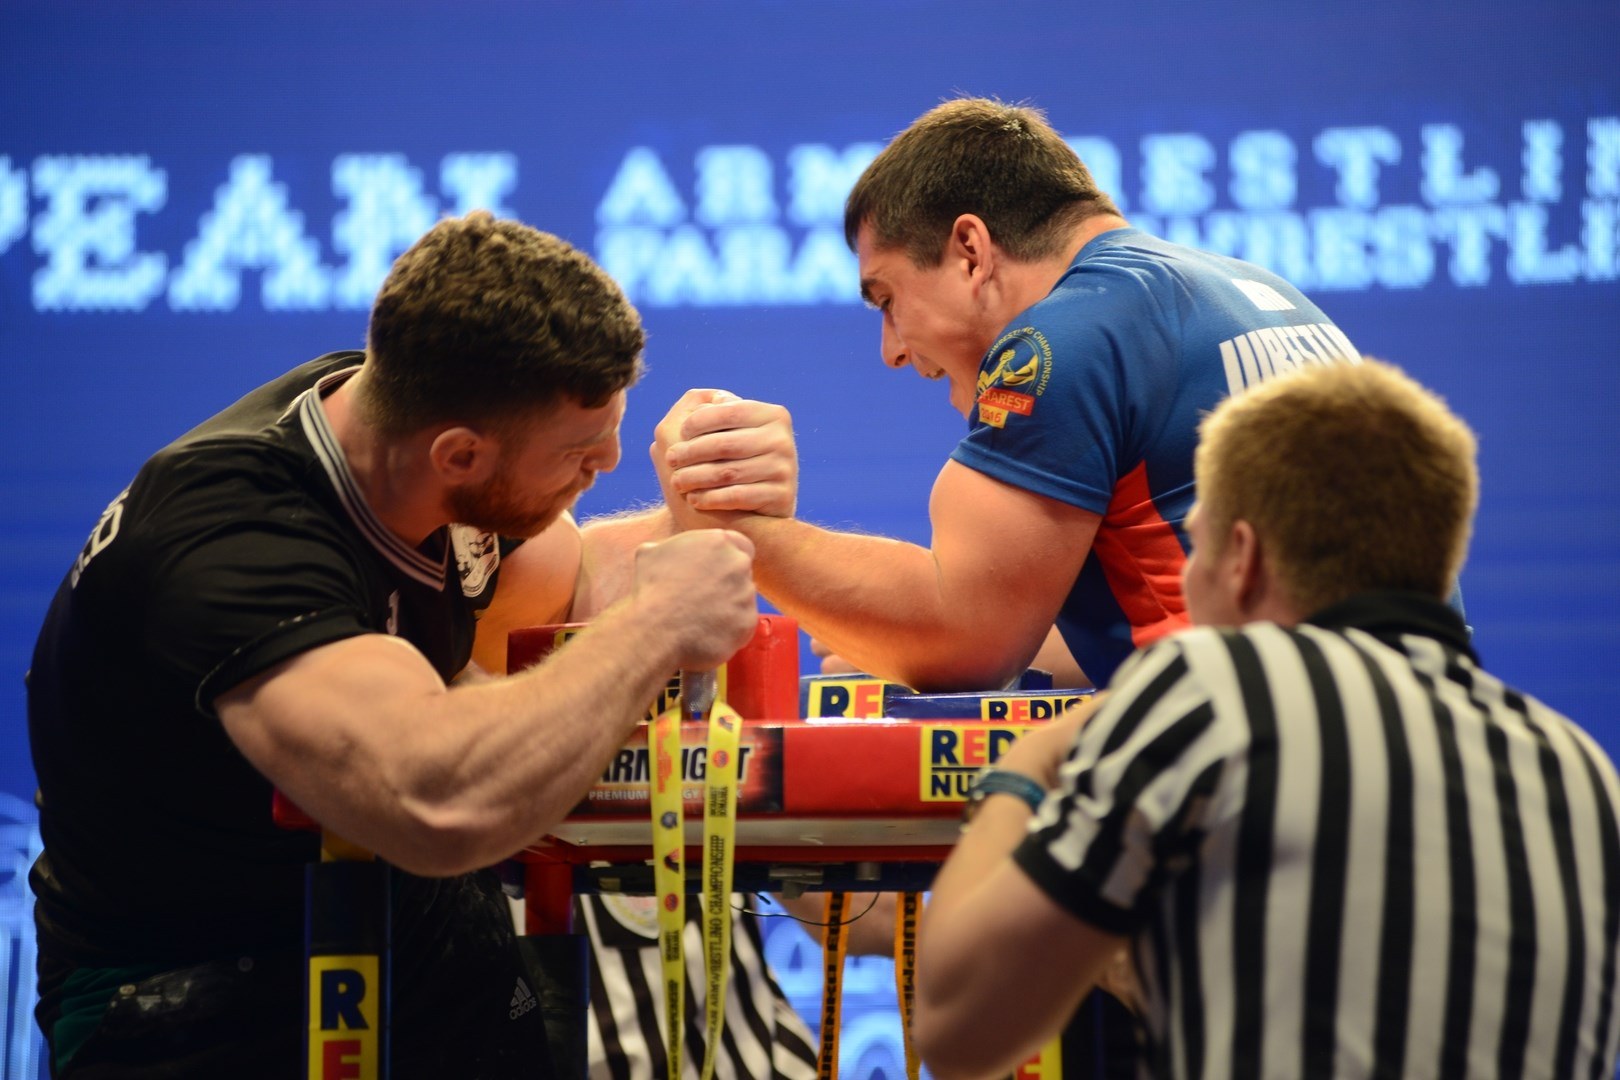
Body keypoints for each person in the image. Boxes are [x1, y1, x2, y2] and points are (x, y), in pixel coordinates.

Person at [652, 95, 1363, 1073]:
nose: (892, 348)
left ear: (973, 249)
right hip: (1370, 786)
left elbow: (969, 637)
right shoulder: (1241, 290)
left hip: (1250, 831)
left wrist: (748, 536)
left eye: (887, 298)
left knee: (941, 969)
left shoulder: (1066, 336)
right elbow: (1169, 615)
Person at [25, 211, 795, 1078]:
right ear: (459, 455)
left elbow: (577, 580)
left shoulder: (408, 449)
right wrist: (657, 624)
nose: (613, 461)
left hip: (400, 938)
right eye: (580, 454)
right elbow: (435, 800)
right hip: (189, 999)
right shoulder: (233, 536)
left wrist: (710, 518)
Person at [912, 359, 1620, 1080]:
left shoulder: (1213, 690)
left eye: (1197, 543)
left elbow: (956, 1031)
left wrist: (1025, 768)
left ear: (1242, 559)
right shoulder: (1583, 773)